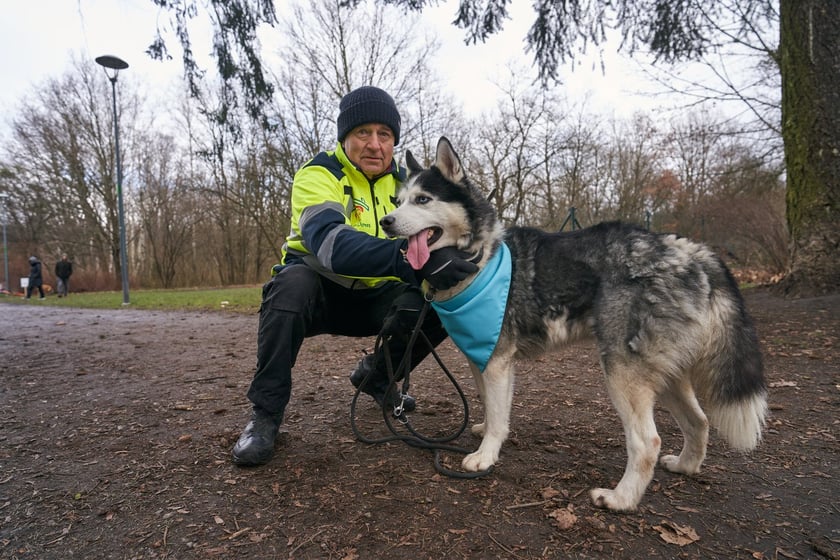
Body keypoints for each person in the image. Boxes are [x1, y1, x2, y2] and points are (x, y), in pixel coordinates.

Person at [232, 86, 479, 467]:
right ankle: (265, 415)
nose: (375, 144)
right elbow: (330, 244)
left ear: (394, 141)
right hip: (319, 290)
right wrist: (404, 259)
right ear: (344, 137)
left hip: (378, 297)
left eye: (385, 134)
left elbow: (441, 224)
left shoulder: (407, 182)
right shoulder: (317, 174)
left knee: (438, 299)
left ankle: (378, 377)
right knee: (289, 288)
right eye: (363, 132)